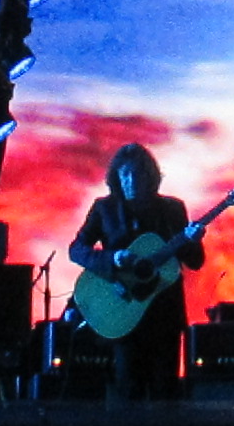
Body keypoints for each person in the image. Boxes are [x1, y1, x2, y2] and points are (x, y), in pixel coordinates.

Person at [68, 142, 205, 398]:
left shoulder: (172, 210)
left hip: (164, 315)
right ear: (117, 177)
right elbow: (77, 250)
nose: (131, 181)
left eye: (138, 175)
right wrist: (113, 259)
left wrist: (193, 241)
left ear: (150, 177)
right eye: (125, 175)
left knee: (166, 394)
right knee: (129, 391)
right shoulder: (104, 209)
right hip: (123, 311)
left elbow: (195, 262)